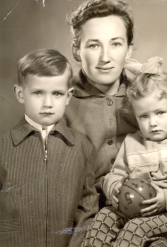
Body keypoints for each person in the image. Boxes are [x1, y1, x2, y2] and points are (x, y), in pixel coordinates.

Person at [81, 57, 167, 247]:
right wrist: (114, 186)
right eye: (144, 116)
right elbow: (116, 173)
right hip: (136, 209)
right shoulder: (132, 141)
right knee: (104, 216)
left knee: (135, 228)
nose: (152, 123)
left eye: (160, 113)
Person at [0, 49, 99, 247]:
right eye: (38, 93)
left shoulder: (81, 147)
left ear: (68, 96)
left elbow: (87, 209)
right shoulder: (3, 147)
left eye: (57, 94)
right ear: (20, 94)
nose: (48, 103)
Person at [65, 0, 138, 208]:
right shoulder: (59, 101)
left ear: (129, 49)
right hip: (83, 214)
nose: (105, 57)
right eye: (94, 45)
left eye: (115, 44)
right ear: (77, 51)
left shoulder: (147, 96)